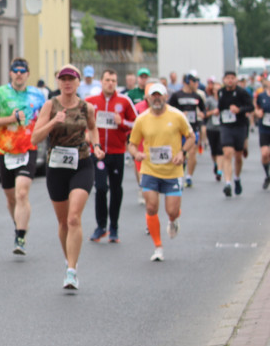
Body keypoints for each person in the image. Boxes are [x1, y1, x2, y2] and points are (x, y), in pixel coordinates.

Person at [30, 65, 100, 289]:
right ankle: (70, 260)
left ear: (79, 82)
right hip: (56, 165)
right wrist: (53, 122)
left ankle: (71, 271)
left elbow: (93, 128)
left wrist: (96, 146)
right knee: (62, 222)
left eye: (71, 79)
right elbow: (35, 138)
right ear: (59, 83)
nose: (67, 83)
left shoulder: (86, 107)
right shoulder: (50, 105)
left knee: (73, 218)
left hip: (81, 163)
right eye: (63, 79)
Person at [0, 58, 48, 255]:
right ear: (10, 73)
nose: (19, 74)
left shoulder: (38, 95)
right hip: (5, 151)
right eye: (15, 71)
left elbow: (46, 119)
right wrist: (10, 119)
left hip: (28, 149)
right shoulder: (1, 94)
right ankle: (18, 224)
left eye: (22, 71)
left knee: (22, 193)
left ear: (28, 74)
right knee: (11, 197)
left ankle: (20, 236)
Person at [127, 82, 195, 261]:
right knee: (151, 207)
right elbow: (132, 144)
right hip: (150, 169)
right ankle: (158, 247)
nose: (156, 98)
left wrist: (182, 152)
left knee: (171, 211)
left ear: (165, 97)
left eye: (160, 95)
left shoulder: (177, 116)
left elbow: (191, 136)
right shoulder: (142, 119)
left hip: (173, 170)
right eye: (153, 96)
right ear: (148, 98)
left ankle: (173, 220)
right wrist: (137, 154)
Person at [86, 69, 138, 242]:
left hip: (117, 152)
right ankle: (101, 226)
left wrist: (121, 122)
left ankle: (113, 227)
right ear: (101, 81)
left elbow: (136, 123)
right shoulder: (90, 102)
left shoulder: (124, 101)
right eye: (107, 80)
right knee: (100, 188)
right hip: (98, 152)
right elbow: (81, 122)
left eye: (113, 81)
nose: (110, 83)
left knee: (116, 189)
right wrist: (86, 135)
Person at [218, 70, 254, 197]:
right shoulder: (221, 92)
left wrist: (239, 110)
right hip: (226, 126)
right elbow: (221, 107)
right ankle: (227, 183)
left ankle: (237, 179)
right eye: (227, 78)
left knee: (238, 157)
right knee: (227, 153)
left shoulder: (242, 92)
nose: (230, 80)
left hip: (239, 126)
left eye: (232, 78)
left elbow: (251, 107)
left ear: (236, 80)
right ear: (224, 80)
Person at [169, 73, 206, 187]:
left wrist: (202, 114)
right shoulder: (176, 95)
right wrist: (180, 114)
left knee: (192, 151)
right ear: (186, 82)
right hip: (179, 130)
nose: (195, 84)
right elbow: (169, 110)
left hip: (193, 127)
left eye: (196, 81)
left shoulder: (197, 96)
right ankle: (179, 174)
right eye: (193, 81)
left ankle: (189, 177)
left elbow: (204, 110)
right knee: (181, 153)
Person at [204, 78, 225, 181]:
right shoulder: (209, 100)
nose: (217, 91)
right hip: (211, 127)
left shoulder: (225, 99)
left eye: (219, 89)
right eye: (215, 89)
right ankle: (216, 164)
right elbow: (204, 114)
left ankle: (220, 171)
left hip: (223, 127)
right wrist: (213, 112)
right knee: (213, 150)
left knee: (220, 150)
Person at [254, 76, 270, 190]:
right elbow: (256, 108)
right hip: (264, 128)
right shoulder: (262, 96)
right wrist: (258, 112)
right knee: (265, 154)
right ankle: (267, 175)